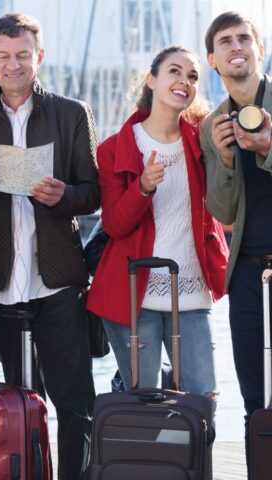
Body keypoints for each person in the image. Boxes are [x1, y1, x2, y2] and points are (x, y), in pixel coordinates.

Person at [0, 13, 99, 480]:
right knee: (19, 405)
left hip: (58, 284)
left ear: (39, 56)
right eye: (3, 56)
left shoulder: (71, 112)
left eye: (22, 55)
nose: (12, 65)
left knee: (75, 404)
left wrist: (64, 196)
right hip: (0, 285)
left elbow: (92, 192)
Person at [87, 46, 229, 398]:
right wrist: (143, 187)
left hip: (192, 293)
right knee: (143, 404)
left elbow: (224, 204)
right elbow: (116, 226)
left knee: (202, 401)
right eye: (175, 71)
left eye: (193, 76)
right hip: (133, 294)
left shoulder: (202, 141)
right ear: (152, 80)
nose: (184, 80)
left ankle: (190, 455)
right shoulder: (113, 148)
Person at [200, 11, 272, 477]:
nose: (235, 46)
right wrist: (226, 159)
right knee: (254, 397)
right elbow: (222, 213)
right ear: (213, 59)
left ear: (259, 49)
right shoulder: (214, 125)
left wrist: (267, 147)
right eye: (224, 41)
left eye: (243, 37)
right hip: (247, 271)